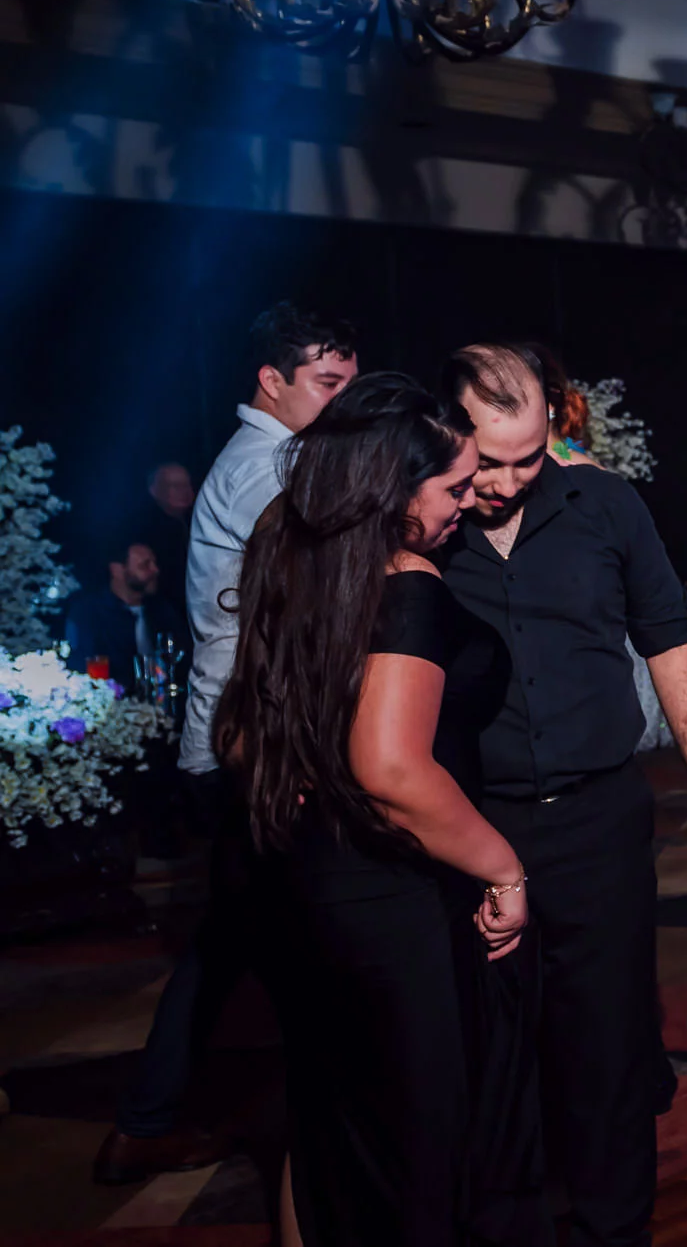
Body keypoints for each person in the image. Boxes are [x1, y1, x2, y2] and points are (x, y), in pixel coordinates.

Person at [214, 372, 545, 1245]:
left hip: (305, 885)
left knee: (329, 1124)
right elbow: (393, 770)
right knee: (417, 1149)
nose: (470, 503)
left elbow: (240, 728)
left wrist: (305, 764)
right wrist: (505, 870)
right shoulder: (407, 582)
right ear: (393, 488)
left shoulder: (290, 548)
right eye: (455, 487)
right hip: (394, 898)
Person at [438, 343, 687, 1247]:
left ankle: (615, 1229)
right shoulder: (417, 523)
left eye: (528, 459)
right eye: (488, 463)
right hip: (471, 827)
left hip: (600, 818)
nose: (506, 483)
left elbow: (668, 638)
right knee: (491, 1051)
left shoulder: (605, 505)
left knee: (608, 1043)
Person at [94, 302, 358, 1187]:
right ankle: (323, 1135)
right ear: (271, 381)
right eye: (327, 383)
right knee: (298, 933)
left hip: (243, 739)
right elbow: (312, 600)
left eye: (349, 384)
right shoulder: (269, 468)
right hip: (252, 745)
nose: (342, 401)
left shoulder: (282, 456)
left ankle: (148, 1122)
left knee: (239, 936)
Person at [63, 539, 188, 690]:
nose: (155, 570)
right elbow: (84, 667)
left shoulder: (163, 611)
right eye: (145, 565)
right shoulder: (88, 614)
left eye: (154, 563)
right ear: (117, 570)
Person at [136, 463, 195, 618]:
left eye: (187, 484)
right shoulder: (145, 530)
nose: (184, 491)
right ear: (154, 490)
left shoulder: (199, 520)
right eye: (175, 486)